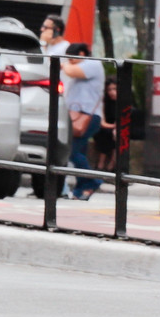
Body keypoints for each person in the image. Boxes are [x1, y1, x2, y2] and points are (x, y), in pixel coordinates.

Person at [62, 42, 106, 200]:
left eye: (71, 58)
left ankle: (92, 181)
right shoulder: (81, 67)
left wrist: (65, 64)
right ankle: (81, 190)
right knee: (79, 152)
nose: (69, 62)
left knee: (71, 151)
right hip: (77, 115)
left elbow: (72, 71)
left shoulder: (92, 64)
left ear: (81, 54)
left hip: (87, 117)